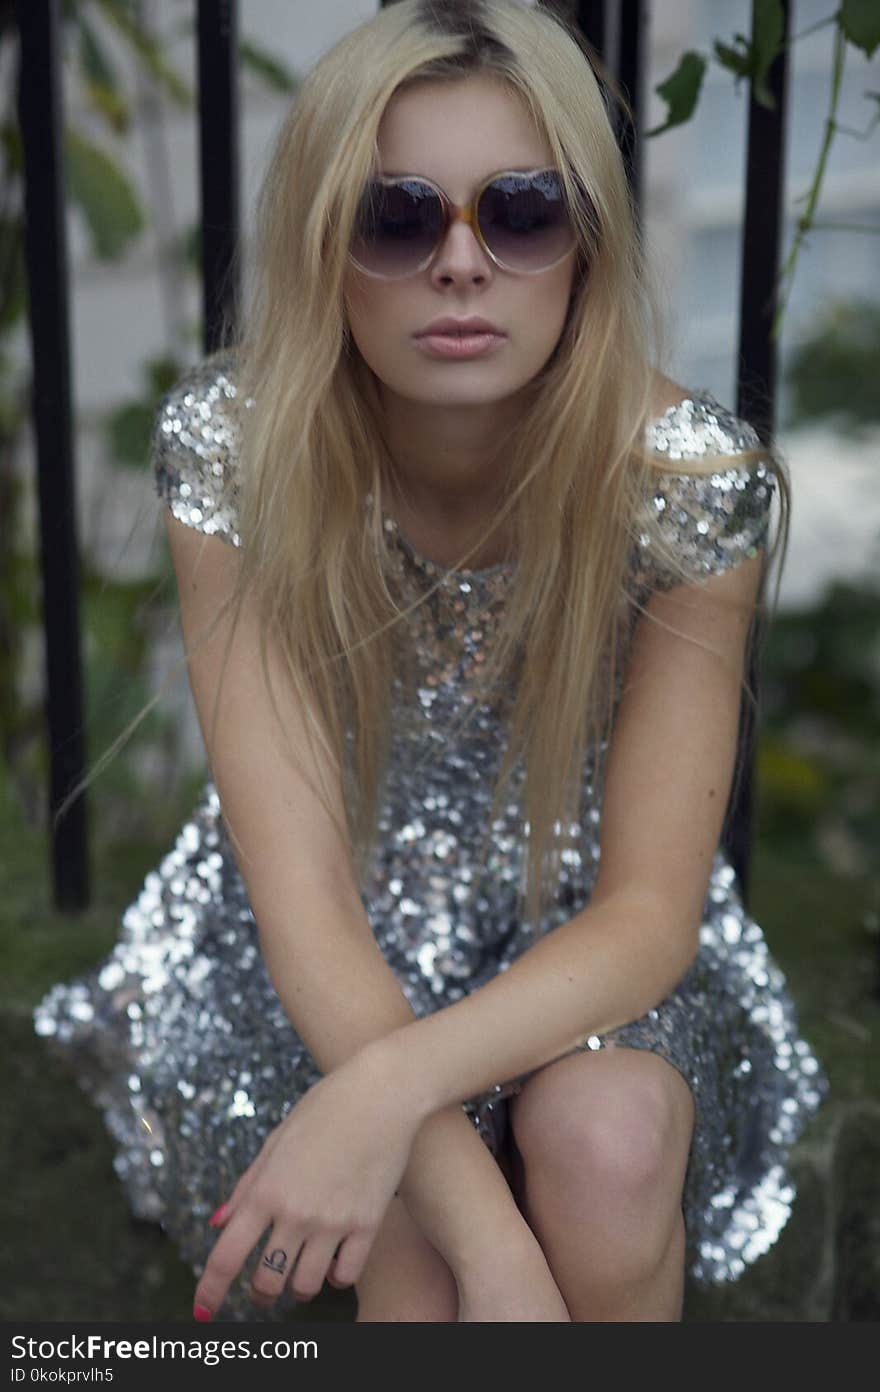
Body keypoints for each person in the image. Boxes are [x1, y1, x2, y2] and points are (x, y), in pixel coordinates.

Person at [34, 0, 828, 1323]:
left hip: (586, 949)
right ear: (323, 247)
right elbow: (304, 905)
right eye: (396, 219)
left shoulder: (685, 482)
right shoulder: (240, 455)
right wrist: (495, 1254)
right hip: (309, 955)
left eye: (521, 212)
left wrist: (392, 1089)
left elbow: (644, 915)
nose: (463, 266)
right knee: (412, 1239)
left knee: (611, 1146)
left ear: (585, 244)